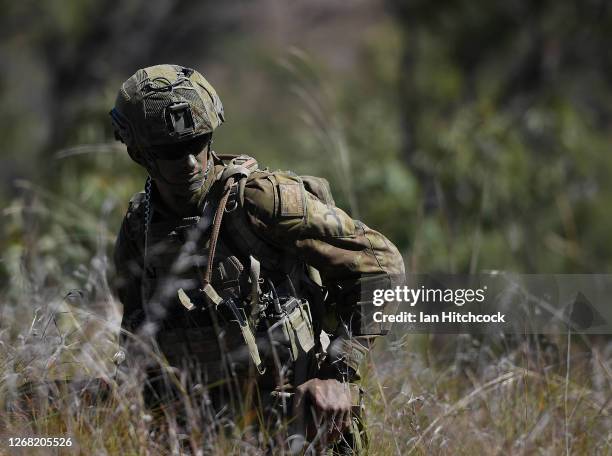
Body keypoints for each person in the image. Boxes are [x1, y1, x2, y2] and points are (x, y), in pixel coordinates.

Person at [111, 64, 404, 454]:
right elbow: (137, 330)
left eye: (197, 142)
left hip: (298, 430)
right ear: (138, 153)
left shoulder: (259, 201)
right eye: (169, 152)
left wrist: (339, 374)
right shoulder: (139, 227)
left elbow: (382, 264)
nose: (190, 162)